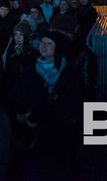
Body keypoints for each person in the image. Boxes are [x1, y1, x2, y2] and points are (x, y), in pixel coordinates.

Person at [16, 31, 82, 180]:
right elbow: (20, 96)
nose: (43, 46)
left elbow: (72, 104)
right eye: (42, 42)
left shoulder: (67, 75)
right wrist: (21, 116)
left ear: (58, 48)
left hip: (58, 136)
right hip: (34, 132)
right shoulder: (30, 71)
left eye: (49, 43)